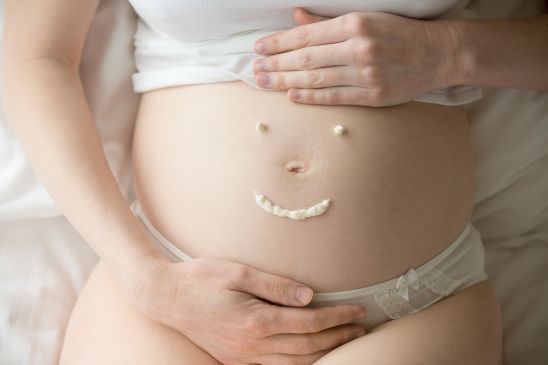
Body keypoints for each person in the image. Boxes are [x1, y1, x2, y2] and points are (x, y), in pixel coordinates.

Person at [2, 1, 546, 364]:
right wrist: (144, 277)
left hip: (411, 312)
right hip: (166, 294)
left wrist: (450, 51)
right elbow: (33, 57)